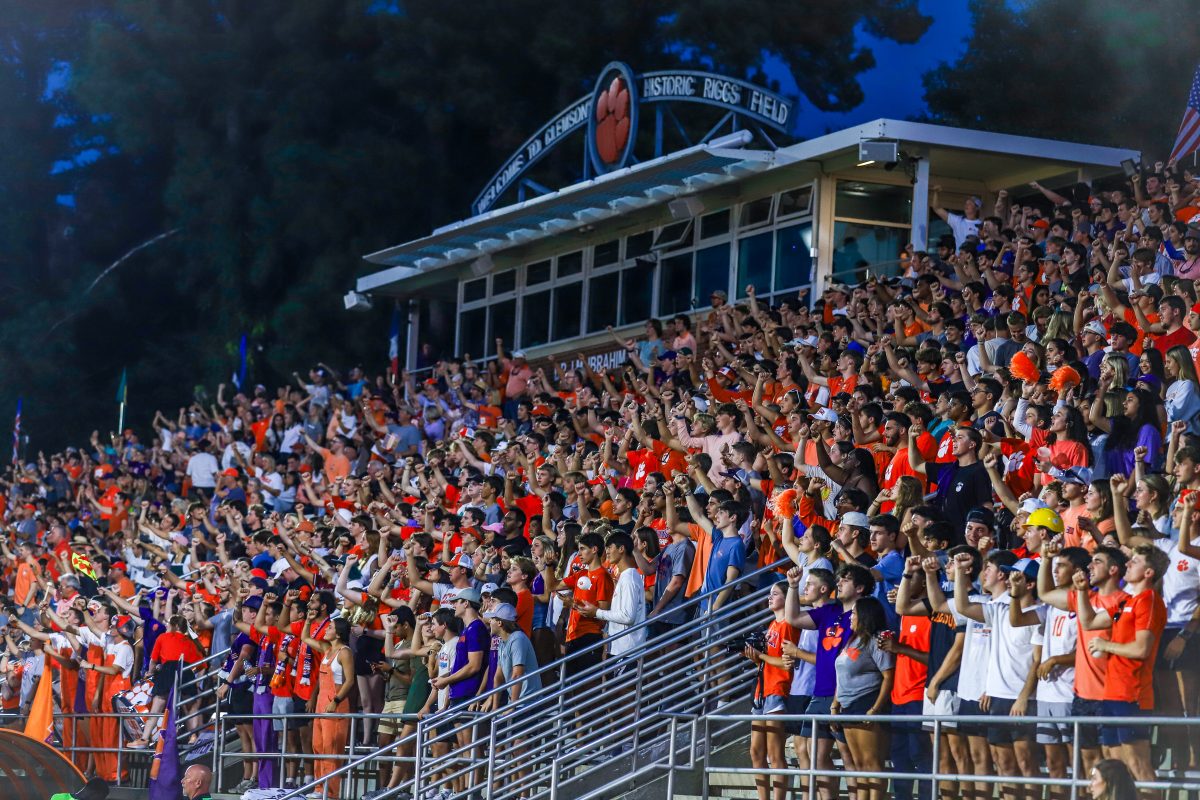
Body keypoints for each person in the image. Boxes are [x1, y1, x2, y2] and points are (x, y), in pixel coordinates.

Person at [743, 581, 799, 800]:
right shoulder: (771, 626)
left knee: (775, 752)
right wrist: (755, 659)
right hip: (762, 689)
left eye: (775, 593)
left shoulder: (787, 624)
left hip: (778, 688)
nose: (770, 597)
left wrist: (761, 657)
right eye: (769, 593)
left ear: (787, 598)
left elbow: (787, 663)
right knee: (756, 752)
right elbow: (766, 663)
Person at [301, 610, 355, 798]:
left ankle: (330, 793)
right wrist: (308, 620)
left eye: (330, 627)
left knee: (331, 749)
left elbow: (349, 681)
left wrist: (336, 701)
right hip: (321, 705)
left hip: (335, 704)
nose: (326, 629)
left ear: (338, 633)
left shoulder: (344, 652)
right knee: (318, 747)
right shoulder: (327, 650)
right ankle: (318, 788)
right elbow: (305, 637)